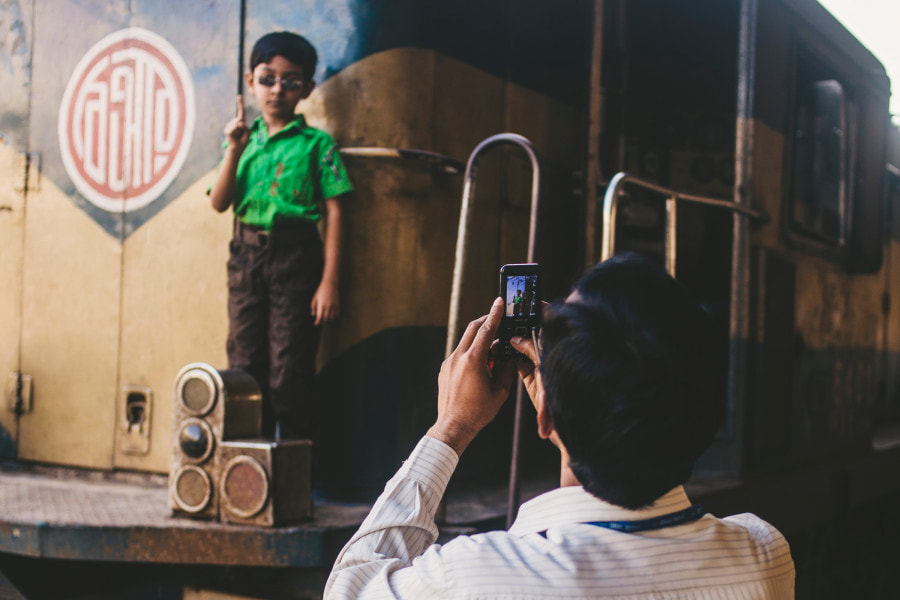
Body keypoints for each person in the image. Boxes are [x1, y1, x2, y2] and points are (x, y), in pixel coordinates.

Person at [324, 253, 795, 598]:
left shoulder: (470, 577)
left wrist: (451, 426)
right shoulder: (764, 555)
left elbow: (349, 585)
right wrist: (559, 399)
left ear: (543, 416)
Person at [209, 31, 354, 440]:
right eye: (267, 78)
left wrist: (329, 282)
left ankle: (291, 485)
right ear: (250, 80)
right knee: (243, 367)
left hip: (297, 261)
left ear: (306, 89)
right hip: (246, 258)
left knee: (289, 374)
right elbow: (219, 203)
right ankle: (244, 477)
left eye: (291, 81)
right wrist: (234, 149)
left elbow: (336, 210)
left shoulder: (316, 145)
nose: (277, 89)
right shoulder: (242, 140)